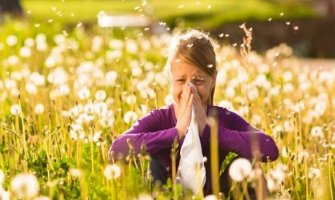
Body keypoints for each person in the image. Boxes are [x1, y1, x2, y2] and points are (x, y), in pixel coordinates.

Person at [109, 29, 279, 197]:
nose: (189, 89)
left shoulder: (221, 118)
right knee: (150, 164)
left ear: (212, 81)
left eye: (198, 81)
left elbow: (269, 149)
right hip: (165, 194)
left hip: (212, 196)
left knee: (251, 167)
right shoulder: (160, 118)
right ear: (171, 79)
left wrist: (209, 131)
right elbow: (116, 150)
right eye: (181, 80)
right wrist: (176, 133)